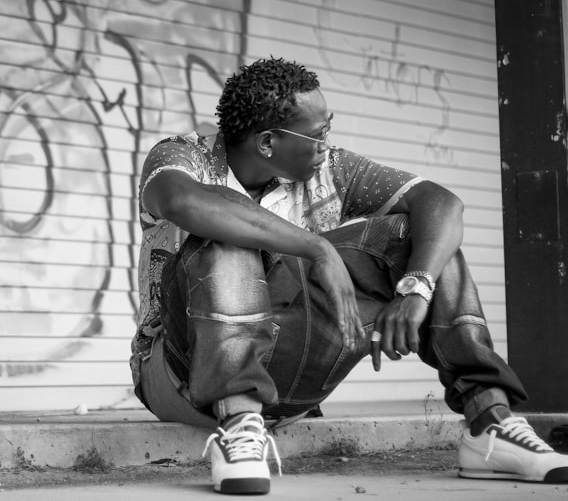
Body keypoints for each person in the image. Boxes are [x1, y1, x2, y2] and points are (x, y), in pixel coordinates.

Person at [129, 57, 568, 495]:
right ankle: (240, 424)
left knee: (423, 240)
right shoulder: (182, 155)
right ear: (267, 142)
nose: (326, 144)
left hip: (289, 369)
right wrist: (316, 247)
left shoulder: (330, 170)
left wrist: (416, 287)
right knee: (226, 229)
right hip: (181, 371)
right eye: (318, 135)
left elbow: (441, 202)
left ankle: (490, 423)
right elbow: (184, 203)